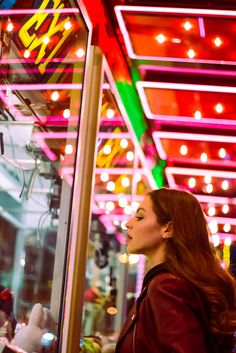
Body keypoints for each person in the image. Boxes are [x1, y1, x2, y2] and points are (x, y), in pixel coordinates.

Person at [115, 188, 236, 353]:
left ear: (168, 229)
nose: (128, 223)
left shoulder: (165, 286)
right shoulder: (170, 283)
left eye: (140, 217)